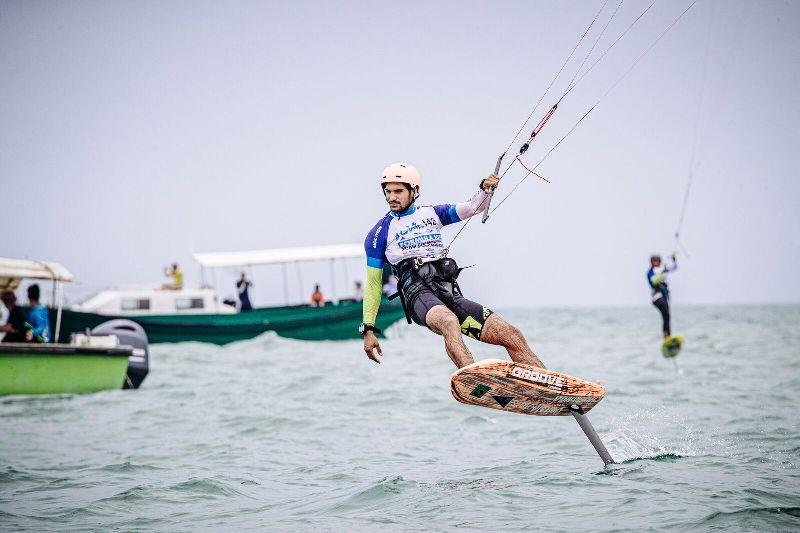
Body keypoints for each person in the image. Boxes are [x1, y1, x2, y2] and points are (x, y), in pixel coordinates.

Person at [360, 162, 544, 369]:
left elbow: (473, 207)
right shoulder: (378, 234)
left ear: (414, 191)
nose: (392, 197)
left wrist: (485, 189)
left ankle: (549, 388)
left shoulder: (433, 214)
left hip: (448, 293)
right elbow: (374, 285)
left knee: (510, 334)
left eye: (398, 191)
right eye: (388, 192)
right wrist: (368, 329)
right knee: (448, 321)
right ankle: (474, 379)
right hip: (418, 296)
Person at [647, 253, 677, 338]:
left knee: (667, 316)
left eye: (657, 261)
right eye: (654, 261)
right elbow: (654, 280)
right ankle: (666, 335)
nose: (656, 262)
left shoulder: (661, 269)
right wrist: (662, 272)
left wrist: (674, 260)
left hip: (664, 296)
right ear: (652, 262)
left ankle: (668, 336)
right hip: (657, 297)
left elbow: (674, 267)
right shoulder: (651, 272)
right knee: (666, 314)